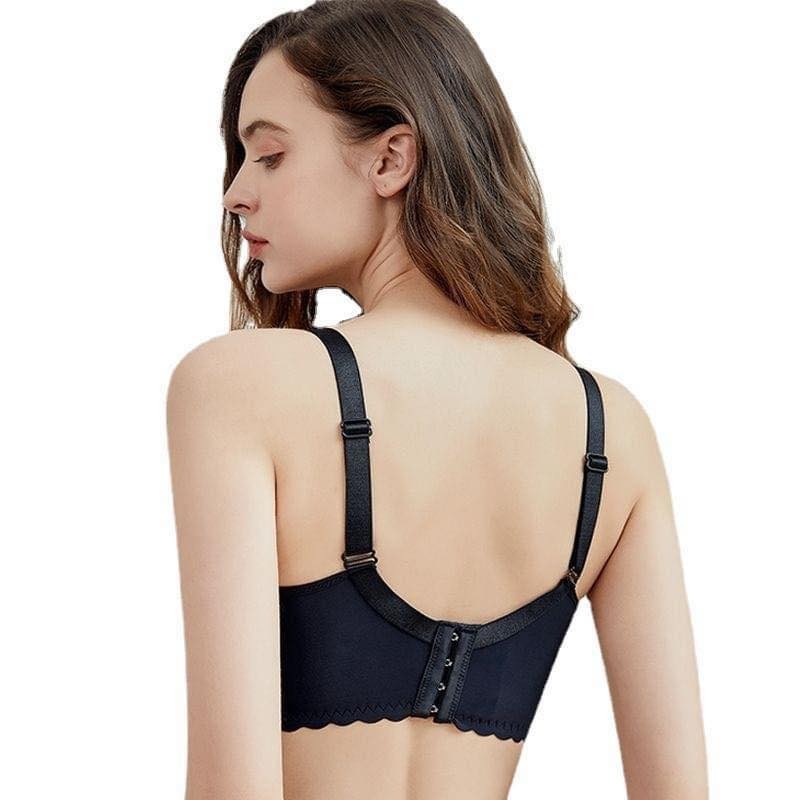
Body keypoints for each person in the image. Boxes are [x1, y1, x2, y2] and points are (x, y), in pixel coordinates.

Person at [166, 2, 708, 798]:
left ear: (391, 159)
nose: (236, 194)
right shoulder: (611, 429)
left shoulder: (241, 388)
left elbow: (230, 790)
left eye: (271, 155)